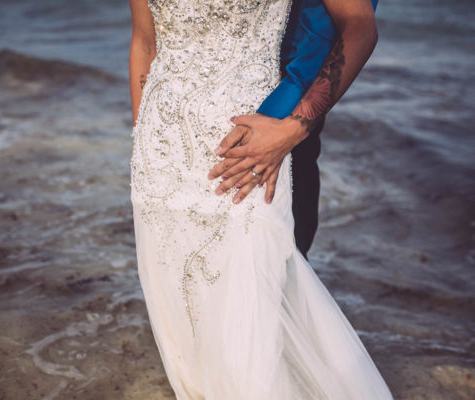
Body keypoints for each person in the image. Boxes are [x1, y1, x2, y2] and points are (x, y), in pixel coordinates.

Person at [128, 0, 393, 398]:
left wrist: (294, 128)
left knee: (252, 313)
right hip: (162, 156)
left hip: (256, 146)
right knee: (184, 312)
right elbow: (145, 43)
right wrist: (145, 145)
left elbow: (357, 25)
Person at [207, 0, 379, 259]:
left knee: (274, 263)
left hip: (279, 117)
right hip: (178, 127)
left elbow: (357, 25)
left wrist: (293, 128)